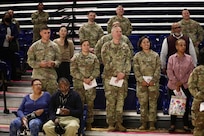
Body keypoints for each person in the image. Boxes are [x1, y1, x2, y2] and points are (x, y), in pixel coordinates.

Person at [101, 26, 131, 132]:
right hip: (110, 78)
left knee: (120, 102)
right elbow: (106, 62)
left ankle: (119, 122)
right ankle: (110, 123)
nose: (119, 33)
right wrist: (116, 73)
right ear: (112, 33)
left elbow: (128, 61)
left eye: (120, 31)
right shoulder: (106, 46)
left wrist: (124, 73)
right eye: (117, 31)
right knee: (110, 101)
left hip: (122, 78)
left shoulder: (125, 46)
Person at [70, 40, 100, 131]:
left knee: (90, 104)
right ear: (81, 46)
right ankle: (79, 122)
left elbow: (97, 70)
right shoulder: (76, 57)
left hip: (90, 84)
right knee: (79, 104)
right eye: (84, 45)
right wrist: (83, 79)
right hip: (79, 84)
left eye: (88, 45)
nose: (86, 46)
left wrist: (90, 78)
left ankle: (89, 123)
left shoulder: (94, 57)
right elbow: (73, 71)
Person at [133, 36, 161, 130]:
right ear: (140, 44)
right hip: (142, 84)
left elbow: (158, 69)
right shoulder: (137, 56)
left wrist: (154, 80)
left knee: (153, 104)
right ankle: (144, 123)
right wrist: (141, 80)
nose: (146, 44)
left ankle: (152, 123)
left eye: (148, 42)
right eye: (144, 42)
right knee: (143, 104)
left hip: (153, 83)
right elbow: (136, 70)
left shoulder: (155, 55)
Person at [167, 39, 194, 133]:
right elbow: (169, 71)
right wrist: (176, 83)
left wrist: (181, 82)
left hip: (185, 85)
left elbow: (191, 72)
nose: (183, 47)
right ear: (176, 46)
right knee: (174, 105)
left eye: (184, 45)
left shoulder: (189, 58)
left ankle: (186, 125)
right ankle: (172, 124)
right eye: (181, 45)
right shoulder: (171, 58)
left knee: (186, 106)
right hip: (173, 86)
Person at [27, 26, 61, 95]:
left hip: (51, 77)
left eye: (48, 33)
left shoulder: (55, 46)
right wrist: (39, 64)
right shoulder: (35, 46)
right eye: (45, 33)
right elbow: (30, 61)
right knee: (38, 99)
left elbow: (59, 60)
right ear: (41, 34)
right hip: (38, 77)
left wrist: (54, 63)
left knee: (52, 99)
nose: (47, 34)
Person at [188, 48, 204, 136]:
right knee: (199, 126)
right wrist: (198, 95)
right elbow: (191, 85)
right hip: (199, 102)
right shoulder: (197, 70)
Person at [0, 12, 19, 80]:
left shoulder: (13, 25)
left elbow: (17, 34)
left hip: (11, 47)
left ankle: (13, 77)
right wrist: (5, 36)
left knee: (12, 62)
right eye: (6, 16)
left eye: (8, 16)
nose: (7, 17)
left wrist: (12, 37)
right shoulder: (1, 26)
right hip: (2, 47)